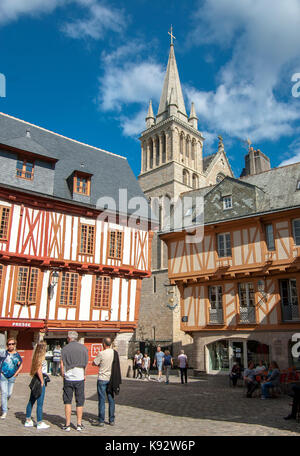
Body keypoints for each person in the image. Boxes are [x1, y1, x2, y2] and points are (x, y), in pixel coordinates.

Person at [60, 331, 89, 432]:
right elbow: (86, 364)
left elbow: (62, 364)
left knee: (67, 401)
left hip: (68, 377)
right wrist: (84, 374)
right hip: (80, 376)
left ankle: (67, 424)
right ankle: (79, 424)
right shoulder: (83, 348)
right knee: (79, 401)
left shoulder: (65, 349)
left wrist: (62, 373)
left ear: (69, 338)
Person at [92, 337, 121, 427]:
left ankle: (101, 420)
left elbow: (94, 363)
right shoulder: (114, 353)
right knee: (111, 399)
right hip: (111, 379)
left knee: (101, 400)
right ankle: (111, 420)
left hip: (102, 378)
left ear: (104, 344)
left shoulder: (101, 353)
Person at [24, 342, 50, 430]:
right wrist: (42, 381)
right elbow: (39, 370)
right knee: (40, 403)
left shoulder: (35, 357)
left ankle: (28, 420)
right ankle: (39, 422)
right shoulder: (41, 358)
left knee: (31, 400)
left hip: (35, 380)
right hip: (39, 380)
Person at [0, 337, 23, 419]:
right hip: (3, 376)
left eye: (12, 344)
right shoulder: (3, 353)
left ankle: (3, 404)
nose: (11, 345)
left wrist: (16, 374)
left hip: (12, 377)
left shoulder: (17, 355)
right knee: (4, 393)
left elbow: (20, 365)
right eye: (9, 344)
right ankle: (4, 411)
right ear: (7, 345)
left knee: (9, 394)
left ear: (15, 345)